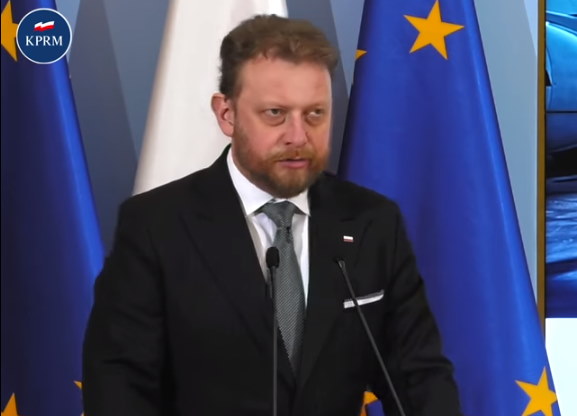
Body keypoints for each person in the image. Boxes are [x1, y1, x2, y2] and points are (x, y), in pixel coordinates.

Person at [83, 15, 462, 416]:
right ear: (226, 114)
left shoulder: (373, 222)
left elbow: (419, 376)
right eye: (276, 113)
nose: (298, 136)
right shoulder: (156, 226)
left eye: (315, 114)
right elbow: (119, 386)